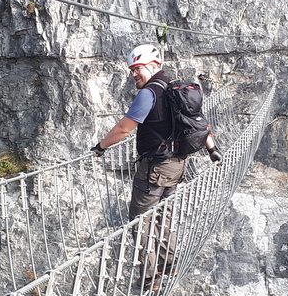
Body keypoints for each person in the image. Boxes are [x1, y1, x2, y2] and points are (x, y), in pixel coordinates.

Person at [91, 44, 219, 220]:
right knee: (165, 221)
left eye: (138, 68)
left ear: (153, 65)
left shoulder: (149, 93)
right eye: (132, 70)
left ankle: (144, 249)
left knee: (142, 223)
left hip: (155, 169)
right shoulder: (175, 89)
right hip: (176, 167)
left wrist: (100, 147)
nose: (134, 74)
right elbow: (197, 121)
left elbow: (123, 129)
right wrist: (212, 150)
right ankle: (167, 249)